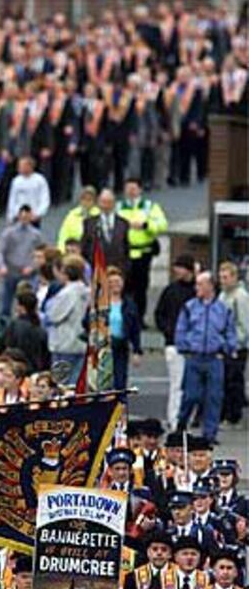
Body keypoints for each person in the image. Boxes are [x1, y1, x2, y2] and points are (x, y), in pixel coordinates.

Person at [175, 271, 237, 444]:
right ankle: (181, 425)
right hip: (194, 357)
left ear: (210, 286)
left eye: (200, 284)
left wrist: (228, 347)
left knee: (214, 397)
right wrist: (184, 346)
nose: (197, 288)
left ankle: (209, 434)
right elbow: (181, 329)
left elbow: (230, 331)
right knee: (190, 395)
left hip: (214, 358)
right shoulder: (189, 307)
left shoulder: (223, 309)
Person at [117, 178, 168, 326]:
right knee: (123, 286)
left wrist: (146, 225)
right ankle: (123, 316)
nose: (131, 191)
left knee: (141, 286)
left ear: (140, 190)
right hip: (124, 253)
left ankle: (139, 317)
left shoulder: (149, 207)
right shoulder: (119, 207)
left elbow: (162, 225)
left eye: (134, 188)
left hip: (144, 252)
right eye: (128, 188)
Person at [154, 253, 196, 430]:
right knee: (177, 384)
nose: (176, 270)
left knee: (191, 385)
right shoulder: (171, 290)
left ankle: (187, 418)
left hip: (193, 345)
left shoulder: (194, 291)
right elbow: (159, 314)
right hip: (174, 344)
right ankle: (175, 419)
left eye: (179, 267)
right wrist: (168, 331)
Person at [44, 256, 90, 386]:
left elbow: (54, 315)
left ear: (66, 273)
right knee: (77, 383)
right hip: (81, 344)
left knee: (61, 385)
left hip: (64, 344)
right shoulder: (87, 291)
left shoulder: (67, 294)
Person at [0, 205, 44, 327]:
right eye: (22, 215)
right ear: (18, 216)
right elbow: (1, 251)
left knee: (28, 300)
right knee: (6, 302)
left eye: (27, 215)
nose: (24, 218)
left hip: (28, 273)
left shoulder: (36, 235)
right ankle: (4, 325)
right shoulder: (9, 233)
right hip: (11, 271)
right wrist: (2, 266)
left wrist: (33, 267)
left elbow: (40, 253)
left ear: (31, 217)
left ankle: (28, 322)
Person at [218, 261, 249, 428]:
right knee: (224, 381)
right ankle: (226, 413)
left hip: (236, 347)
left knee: (234, 382)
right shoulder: (223, 295)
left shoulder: (241, 296)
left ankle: (234, 416)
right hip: (224, 345)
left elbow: (245, 323)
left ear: (234, 277)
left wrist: (237, 343)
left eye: (226, 277)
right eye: (221, 277)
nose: (223, 280)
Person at [0, 291, 50, 374]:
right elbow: (46, 357)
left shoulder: (14, 326)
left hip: (14, 370)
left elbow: (1, 346)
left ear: (22, 308)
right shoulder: (40, 330)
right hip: (34, 372)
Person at [107, 267, 142, 390]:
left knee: (120, 381)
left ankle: (120, 407)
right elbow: (86, 322)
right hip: (104, 346)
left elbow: (135, 329)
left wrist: (137, 351)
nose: (115, 285)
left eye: (118, 282)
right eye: (111, 282)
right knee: (103, 382)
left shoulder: (129, 304)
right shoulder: (100, 303)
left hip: (121, 346)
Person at [81, 188, 129, 269]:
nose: (106, 206)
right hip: (96, 270)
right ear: (98, 203)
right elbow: (85, 247)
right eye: (103, 202)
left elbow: (126, 248)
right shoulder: (89, 223)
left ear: (114, 203)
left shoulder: (123, 223)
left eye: (109, 202)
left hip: (118, 269)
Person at [7, 157, 51, 227]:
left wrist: (38, 214)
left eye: (22, 166)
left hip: (33, 217)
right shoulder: (16, 181)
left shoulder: (40, 180)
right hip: (18, 217)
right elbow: (12, 199)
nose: (19, 168)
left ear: (30, 166)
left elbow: (45, 199)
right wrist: (11, 216)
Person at [57, 186, 99, 252]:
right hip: (71, 249)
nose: (86, 203)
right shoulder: (72, 214)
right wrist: (62, 251)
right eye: (84, 199)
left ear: (94, 201)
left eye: (89, 200)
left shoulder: (98, 215)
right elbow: (63, 235)